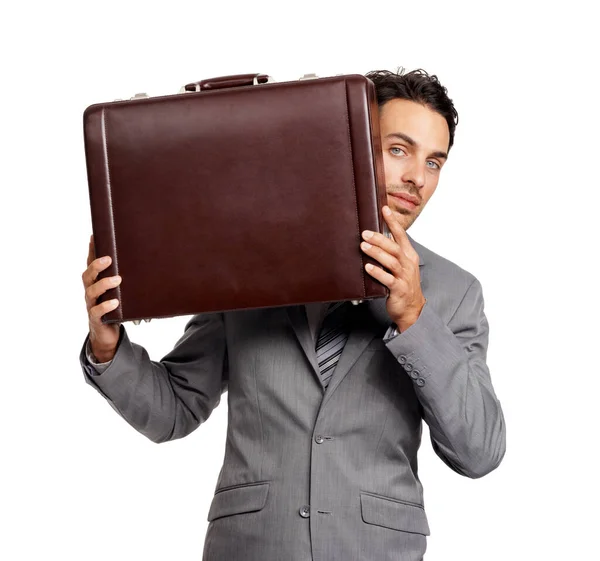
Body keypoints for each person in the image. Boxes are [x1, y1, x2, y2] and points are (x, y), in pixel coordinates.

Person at [80, 68, 506, 561]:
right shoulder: (244, 265)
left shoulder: (455, 293)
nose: (417, 177)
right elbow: (173, 410)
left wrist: (414, 316)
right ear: (347, 144)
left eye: (435, 162)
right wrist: (108, 347)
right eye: (398, 149)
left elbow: (479, 452)